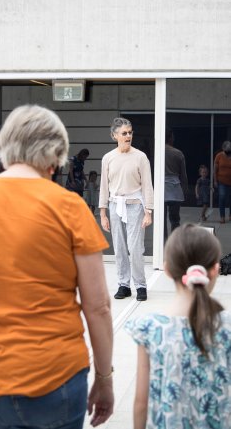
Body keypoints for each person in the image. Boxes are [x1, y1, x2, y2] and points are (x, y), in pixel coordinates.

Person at [0, 104, 114, 429]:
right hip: (52, 378)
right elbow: (98, 306)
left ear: (5, 147)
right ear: (56, 154)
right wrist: (105, 377)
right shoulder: (70, 208)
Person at [125, 223, 229, 429]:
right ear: (216, 270)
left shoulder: (150, 328)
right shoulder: (226, 326)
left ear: (167, 269)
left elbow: (141, 403)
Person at [99, 117, 154, 302]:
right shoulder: (108, 158)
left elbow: (147, 185)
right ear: (114, 135)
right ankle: (124, 284)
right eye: (124, 133)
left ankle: (140, 285)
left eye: (130, 132)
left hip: (135, 206)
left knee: (135, 247)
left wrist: (149, 211)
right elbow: (104, 187)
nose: (128, 135)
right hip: (115, 205)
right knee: (120, 247)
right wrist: (103, 212)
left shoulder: (140, 157)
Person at [164, 128, 188, 240]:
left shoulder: (158, 151)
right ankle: (174, 242)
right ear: (170, 138)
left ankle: (162, 242)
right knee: (175, 219)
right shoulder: (178, 153)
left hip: (161, 187)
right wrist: (185, 189)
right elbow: (183, 175)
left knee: (161, 220)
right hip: (174, 188)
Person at [214, 140, 231, 223]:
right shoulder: (219, 156)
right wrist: (215, 180)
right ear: (223, 148)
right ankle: (222, 217)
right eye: (227, 148)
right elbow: (215, 169)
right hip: (222, 181)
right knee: (222, 197)